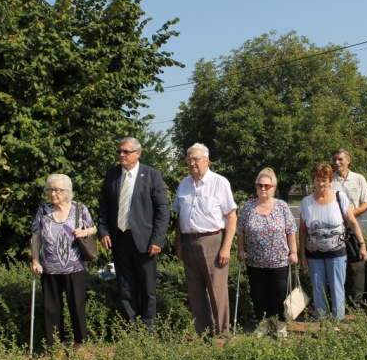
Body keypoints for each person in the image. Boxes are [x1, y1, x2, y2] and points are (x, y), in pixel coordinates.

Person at [98, 137, 170, 331]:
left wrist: (157, 239)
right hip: (119, 239)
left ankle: (148, 329)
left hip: (146, 242)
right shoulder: (112, 174)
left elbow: (163, 209)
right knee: (125, 285)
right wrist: (103, 231)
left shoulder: (152, 175)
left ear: (137, 153)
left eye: (126, 152)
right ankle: (132, 327)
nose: (121, 155)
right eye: (119, 151)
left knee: (147, 288)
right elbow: (103, 206)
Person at [173, 143, 237, 336]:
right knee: (195, 294)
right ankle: (203, 335)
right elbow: (179, 217)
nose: (192, 163)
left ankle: (223, 336)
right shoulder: (184, 184)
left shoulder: (220, 182)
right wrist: (178, 244)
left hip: (213, 242)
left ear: (207, 160)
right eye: (189, 160)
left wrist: (226, 247)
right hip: (189, 243)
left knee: (217, 293)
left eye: (196, 159)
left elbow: (232, 217)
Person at [31, 174, 96, 349]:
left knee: (77, 306)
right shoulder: (43, 210)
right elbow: (36, 237)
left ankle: (80, 343)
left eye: (57, 190)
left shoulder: (79, 209)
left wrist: (84, 232)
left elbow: (94, 228)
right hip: (49, 267)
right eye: (50, 189)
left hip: (75, 266)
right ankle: (56, 345)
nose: (53, 193)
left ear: (67, 191)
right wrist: (35, 260)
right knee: (52, 309)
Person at [300, 163, 367, 321]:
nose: (321, 184)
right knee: (318, 288)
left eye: (324, 180)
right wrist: (302, 254)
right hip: (313, 253)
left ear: (330, 180)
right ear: (314, 180)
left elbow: (352, 222)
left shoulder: (339, 197)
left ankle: (338, 320)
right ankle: (322, 320)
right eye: (317, 180)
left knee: (337, 287)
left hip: (337, 251)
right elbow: (302, 230)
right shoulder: (306, 202)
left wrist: (362, 244)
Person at [237, 168, 297, 338]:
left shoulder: (282, 206)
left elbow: (291, 230)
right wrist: (241, 250)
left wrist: (294, 253)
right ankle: (263, 324)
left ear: (273, 187)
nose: (263, 188)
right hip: (254, 261)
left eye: (266, 185)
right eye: (259, 185)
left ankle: (280, 326)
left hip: (279, 261)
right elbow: (241, 230)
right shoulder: (248, 206)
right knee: (259, 295)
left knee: (279, 295)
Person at [330, 149, 367, 305]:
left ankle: (357, 302)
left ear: (348, 160)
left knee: (357, 267)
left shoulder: (358, 179)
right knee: (337, 268)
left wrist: (350, 215)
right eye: (334, 159)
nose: (337, 162)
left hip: (355, 230)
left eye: (340, 159)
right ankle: (339, 301)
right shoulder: (329, 181)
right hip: (335, 231)